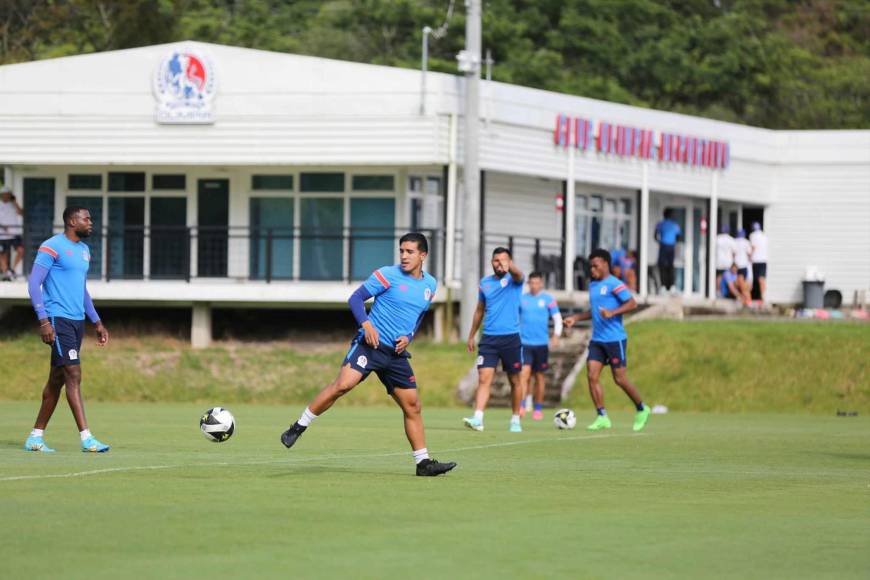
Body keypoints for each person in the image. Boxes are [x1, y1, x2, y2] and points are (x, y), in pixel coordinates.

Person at [279, 233, 456, 477]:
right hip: (369, 346)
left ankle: (423, 463)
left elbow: (419, 316)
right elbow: (356, 298)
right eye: (401, 251)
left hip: (395, 354)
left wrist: (409, 337)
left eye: (410, 252)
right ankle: (298, 427)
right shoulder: (387, 275)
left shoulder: (430, 285)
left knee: (413, 406)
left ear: (423, 255)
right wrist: (366, 324)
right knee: (343, 385)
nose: (404, 256)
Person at [23, 206, 110, 453]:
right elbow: (33, 284)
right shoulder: (51, 246)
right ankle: (87, 438)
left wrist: (97, 321)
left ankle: (35, 437)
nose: (91, 222)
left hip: (76, 321)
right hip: (57, 319)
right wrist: (43, 321)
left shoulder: (84, 251)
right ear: (73, 221)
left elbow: (81, 291)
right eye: (87, 218)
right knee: (73, 374)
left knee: (56, 380)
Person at [564, 249, 650, 432]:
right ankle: (602, 416)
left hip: (615, 339)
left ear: (605, 264)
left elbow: (632, 303)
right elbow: (593, 310)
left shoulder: (615, 284)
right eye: (591, 266)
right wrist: (576, 318)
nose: (592, 269)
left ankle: (642, 408)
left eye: (595, 266)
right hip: (597, 340)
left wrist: (613, 312)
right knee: (591, 375)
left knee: (619, 379)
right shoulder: (593, 285)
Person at [463, 247, 525, 433]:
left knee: (514, 380)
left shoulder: (515, 281)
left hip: (510, 338)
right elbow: (480, 309)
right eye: (496, 260)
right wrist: (472, 334)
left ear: (509, 261)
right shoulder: (485, 283)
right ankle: (478, 418)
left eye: (503, 260)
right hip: (489, 338)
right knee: (484, 378)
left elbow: (519, 274)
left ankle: (515, 419)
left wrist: (510, 266)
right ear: (491, 262)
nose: (500, 263)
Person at [518, 272, 563, 420]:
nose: (534, 285)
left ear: (541, 284)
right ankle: (522, 406)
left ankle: (538, 408)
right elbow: (514, 317)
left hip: (541, 344)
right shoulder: (522, 299)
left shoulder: (548, 299)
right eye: (532, 283)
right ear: (528, 284)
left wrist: (556, 336)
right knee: (524, 374)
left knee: (539, 377)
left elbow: (557, 318)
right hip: (525, 343)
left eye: (537, 283)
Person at [0, 185, 24, 280]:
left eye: (8, 195)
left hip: (15, 233)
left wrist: (15, 202)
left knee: (21, 250)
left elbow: (21, 213)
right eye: (4, 195)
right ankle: (6, 272)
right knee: (3, 254)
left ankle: (13, 270)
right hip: (2, 235)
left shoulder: (14, 204)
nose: (6, 196)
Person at [654, 209, 682, 294]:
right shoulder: (675, 225)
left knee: (662, 267)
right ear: (671, 215)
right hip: (671, 247)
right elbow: (679, 237)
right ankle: (671, 286)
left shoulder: (660, 224)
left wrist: (660, 242)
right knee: (670, 267)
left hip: (663, 246)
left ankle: (663, 286)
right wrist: (673, 242)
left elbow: (655, 236)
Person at [749, 222, 768, 302]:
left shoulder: (752, 235)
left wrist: (749, 256)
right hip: (764, 260)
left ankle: (756, 297)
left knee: (754, 279)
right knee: (762, 279)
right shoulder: (764, 236)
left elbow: (753, 247)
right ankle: (762, 296)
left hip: (756, 260)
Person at [715, 225, 736, 298]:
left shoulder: (717, 238)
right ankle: (731, 294)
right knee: (729, 279)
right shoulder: (731, 240)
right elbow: (734, 253)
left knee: (719, 277)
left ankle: (718, 292)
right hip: (728, 262)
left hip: (719, 261)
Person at [733, 228, 753, 294]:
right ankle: (745, 296)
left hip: (735, 265)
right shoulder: (746, 242)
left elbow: (733, 253)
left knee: (736, 282)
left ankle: (742, 296)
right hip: (744, 265)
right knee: (743, 282)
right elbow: (749, 254)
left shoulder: (734, 241)